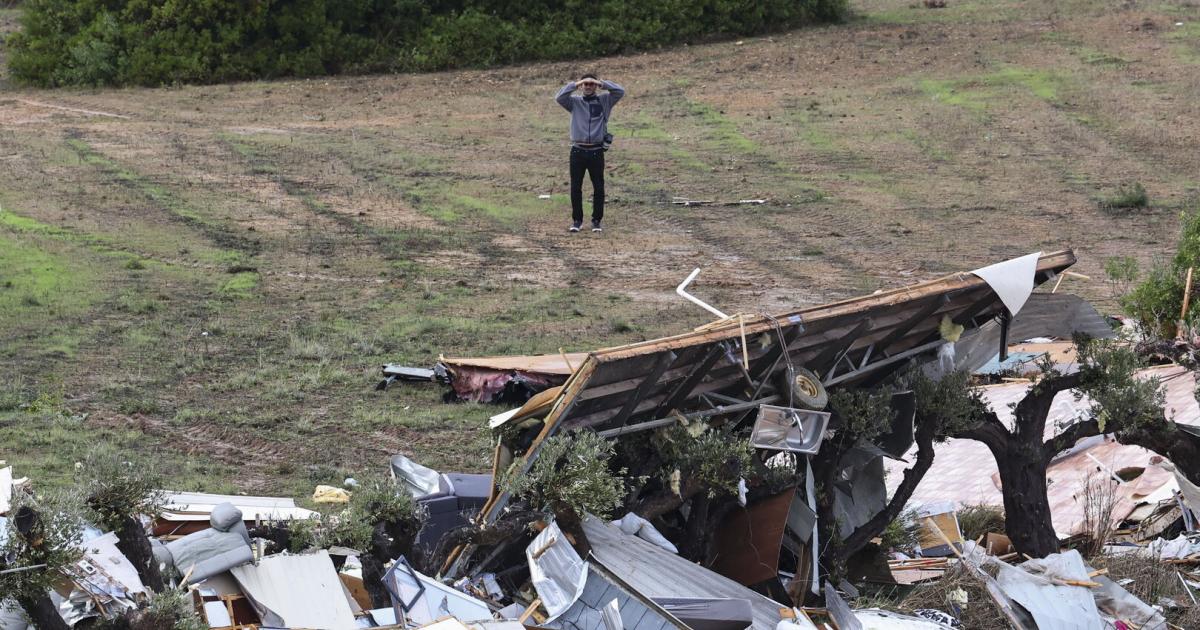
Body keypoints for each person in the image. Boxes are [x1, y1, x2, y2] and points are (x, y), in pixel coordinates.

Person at [555, 73, 625, 232]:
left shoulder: (605, 100)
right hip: (577, 151)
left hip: (596, 151)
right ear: (581, 85)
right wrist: (575, 84)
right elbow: (559, 97)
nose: (588, 86)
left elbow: (620, 91)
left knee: (599, 187)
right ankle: (577, 221)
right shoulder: (574, 102)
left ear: (595, 86)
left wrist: (602, 83)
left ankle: (596, 221)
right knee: (575, 187)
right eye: (585, 84)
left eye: (591, 84)